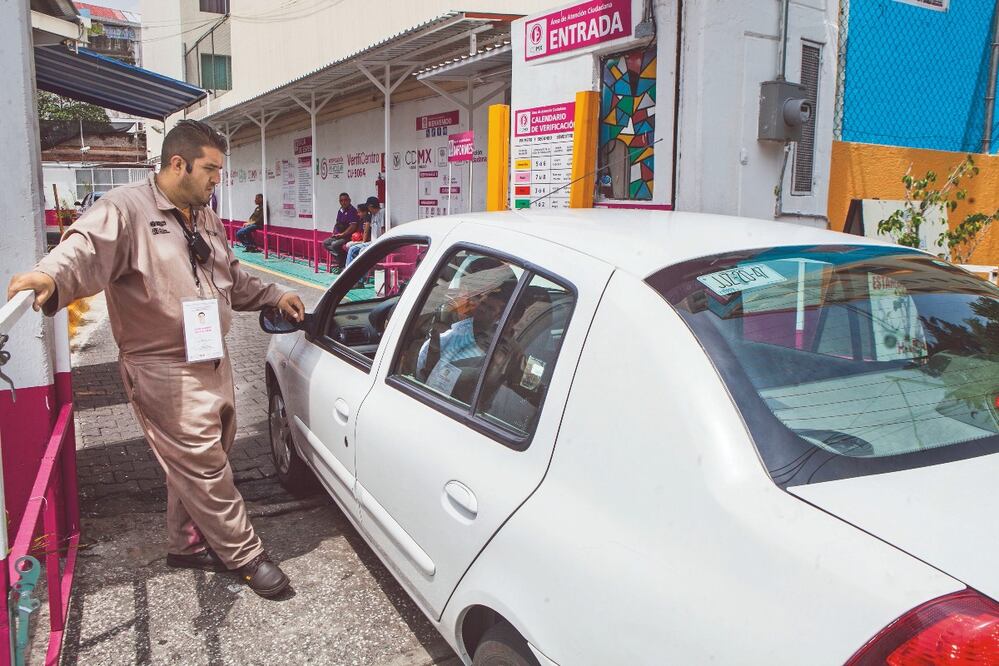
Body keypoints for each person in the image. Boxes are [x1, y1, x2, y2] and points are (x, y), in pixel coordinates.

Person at [6, 119, 306, 599]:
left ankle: (185, 544)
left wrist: (275, 295)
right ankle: (245, 554)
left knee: (204, 458)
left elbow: (234, 278)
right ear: (177, 163)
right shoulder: (125, 209)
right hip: (160, 366)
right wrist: (48, 278)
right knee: (205, 465)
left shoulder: (202, 215)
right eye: (210, 169)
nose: (217, 180)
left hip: (213, 358)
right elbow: (82, 251)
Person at [322, 192, 359, 271]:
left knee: (335, 244)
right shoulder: (340, 211)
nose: (343, 202)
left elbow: (353, 226)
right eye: (341, 200)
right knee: (326, 243)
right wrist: (334, 233)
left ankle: (343, 263)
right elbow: (337, 224)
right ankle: (342, 260)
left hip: (349, 236)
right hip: (339, 235)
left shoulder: (352, 211)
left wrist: (342, 234)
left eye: (345, 200)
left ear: (349, 200)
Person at [344, 196, 384, 267]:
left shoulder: (383, 213)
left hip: (379, 243)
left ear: (371, 206)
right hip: (372, 242)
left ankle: (360, 276)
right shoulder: (373, 215)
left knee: (362, 251)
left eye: (368, 207)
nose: (368, 209)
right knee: (352, 249)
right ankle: (349, 271)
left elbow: (383, 229)